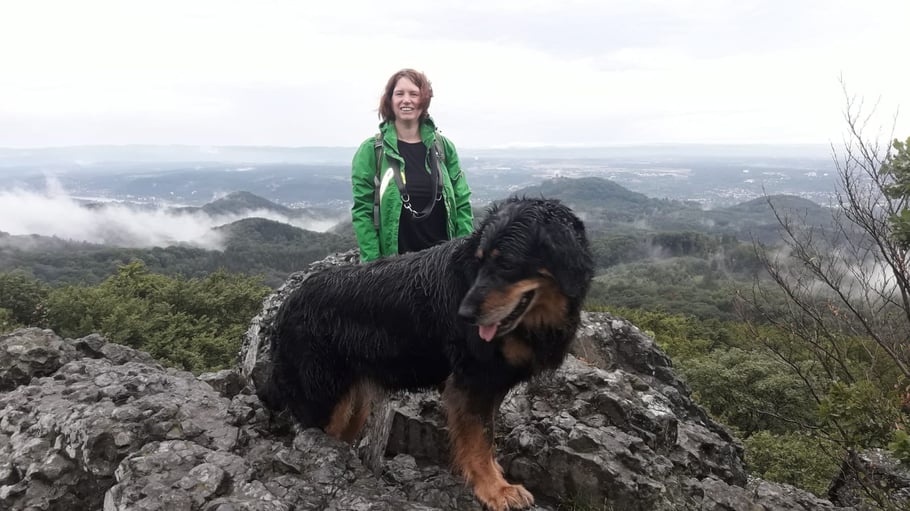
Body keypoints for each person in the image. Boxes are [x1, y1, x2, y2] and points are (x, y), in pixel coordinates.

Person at [351, 68, 474, 262]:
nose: (406, 100)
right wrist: (373, 265)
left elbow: (462, 202)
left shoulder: (443, 147)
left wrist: (464, 255)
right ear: (390, 100)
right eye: (399, 93)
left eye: (414, 94)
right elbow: (363, 211)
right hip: (396, 267)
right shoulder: (372, 150)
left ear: (424, 100)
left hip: (443, 265)